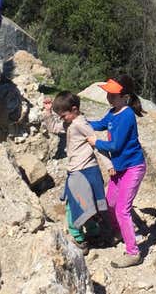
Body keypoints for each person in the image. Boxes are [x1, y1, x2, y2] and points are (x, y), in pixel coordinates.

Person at [86, 75, 146, 268]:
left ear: (125, 96)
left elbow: (116, 145)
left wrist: (96, 142)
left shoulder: (127, 115)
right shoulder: (113, 112)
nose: (109, 97)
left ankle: (133, 253)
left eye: (113, 94)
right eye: (108, 94)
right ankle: (119, 231)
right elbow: (99, 125)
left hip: (133, 167)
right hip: (119, 168)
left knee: (122, 209)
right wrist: (81, 122)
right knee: (110, 203)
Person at [42, 91, 113, 255]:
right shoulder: (70, 123)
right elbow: (53, 127)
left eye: (63, 115)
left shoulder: (81, 124)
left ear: (74, 109)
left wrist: (108, 165)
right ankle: (92, 234)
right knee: (83, 205)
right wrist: (47, 112)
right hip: (75, 171)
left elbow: (97, 145)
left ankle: (82, 239)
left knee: (75, 207)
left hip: (85, 171)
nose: (62, 119)